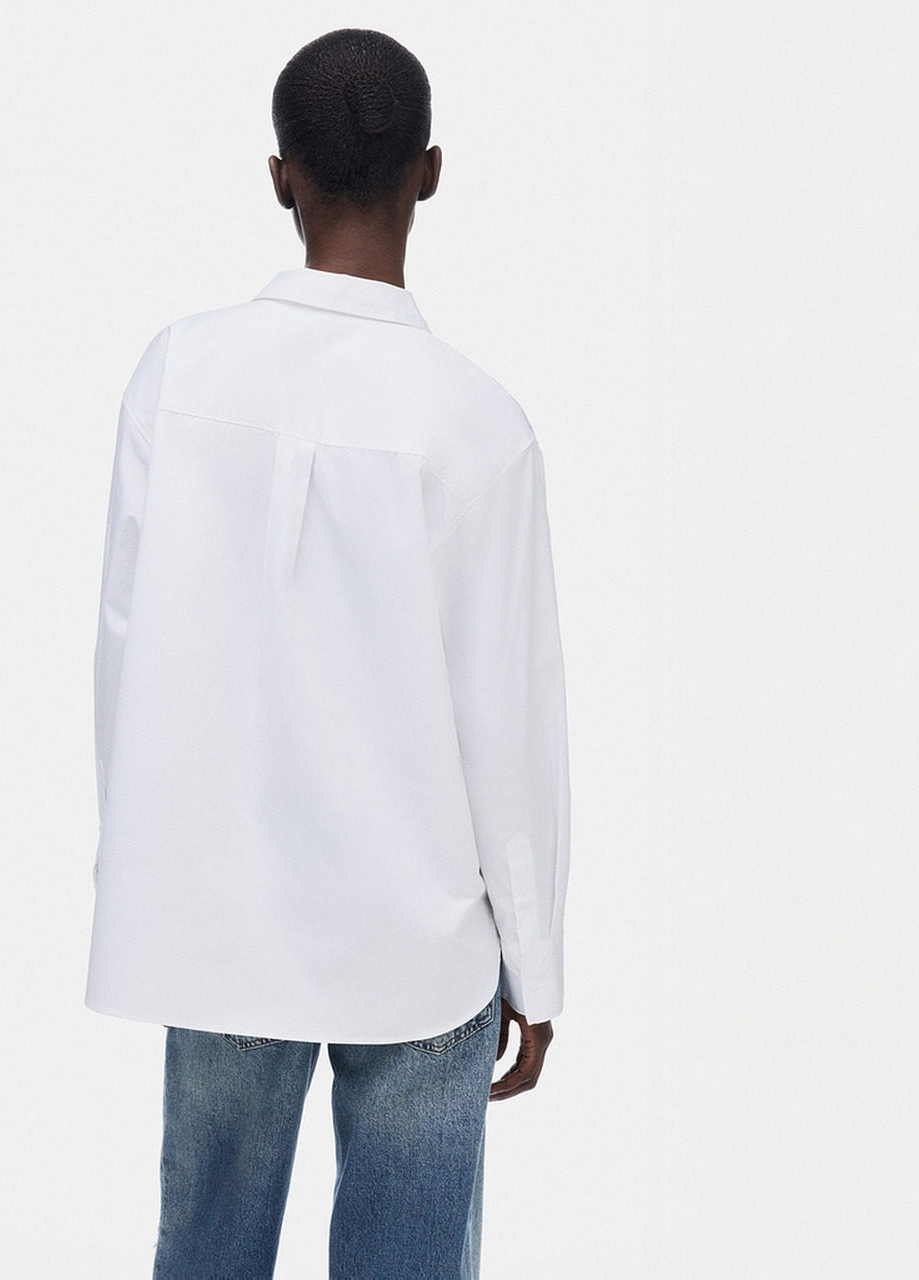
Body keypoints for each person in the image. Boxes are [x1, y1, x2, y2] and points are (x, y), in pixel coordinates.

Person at [84, 27, 572, 1279]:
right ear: (429, 173)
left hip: (218, 918)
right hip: (419, 941)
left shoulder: (177, 371)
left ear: (278, 176)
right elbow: (506, 717)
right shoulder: (476, 424)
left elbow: (126, 644)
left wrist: (142, 867)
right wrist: (535, 961)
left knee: (204, 1255)